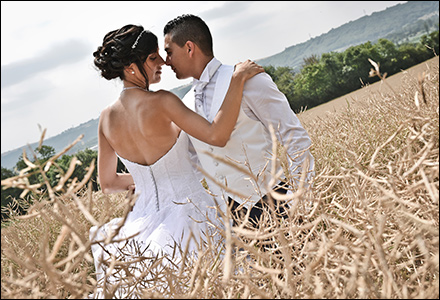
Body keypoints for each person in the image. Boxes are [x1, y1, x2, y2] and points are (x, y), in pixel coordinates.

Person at [88, 24, 264, 296]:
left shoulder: (106, 119)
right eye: (152, 57)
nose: (162, 62)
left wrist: (149, 181)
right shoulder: (162, 102)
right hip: (191, 212)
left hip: (141, 225)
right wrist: (237, 81)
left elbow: (108, 182)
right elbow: (216, 135)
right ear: (131, 67)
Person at [163, 14, 315, 228]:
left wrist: (303, 198)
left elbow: (294, 136)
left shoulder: (250, 80)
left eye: (169, 52)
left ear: (189, 48)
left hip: (275, 204)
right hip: (230, 223)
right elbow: (195, 162)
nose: (166, 61)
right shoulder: (185, 104)